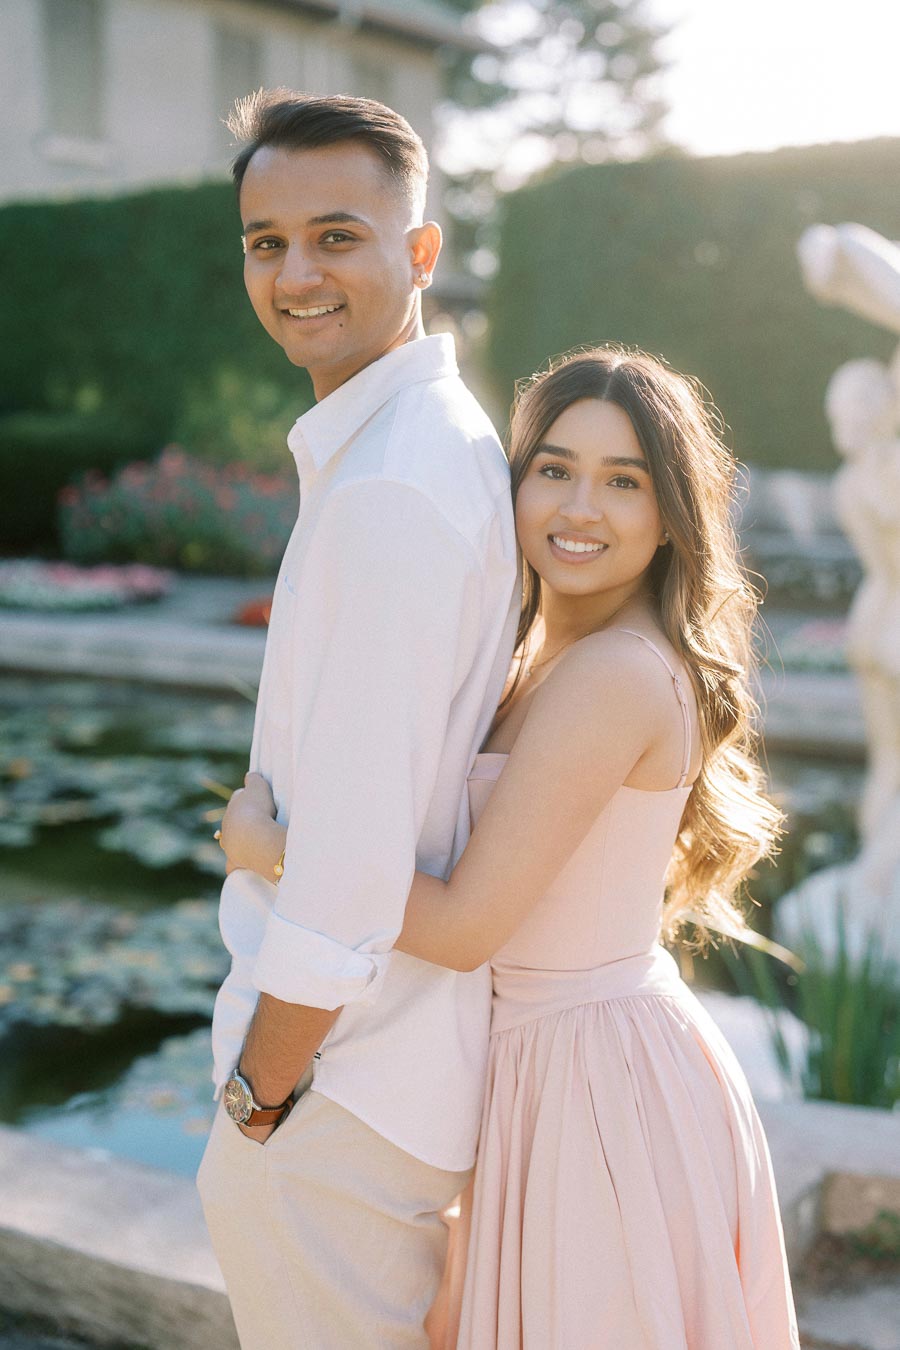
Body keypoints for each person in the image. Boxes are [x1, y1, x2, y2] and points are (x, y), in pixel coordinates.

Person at [223, 346, 801, 1348]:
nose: (582, 508)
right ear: (516, 482)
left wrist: (278, 850)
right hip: (539, 1064)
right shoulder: (540, 654)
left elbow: (460, 926)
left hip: (594, 1081)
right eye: (556, 469)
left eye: (625, 482)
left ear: (672, 515)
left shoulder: (612, 675)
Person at [197, 90, 519, 1350]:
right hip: (370, 1085)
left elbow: (351, 863)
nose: (295, 273)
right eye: (264, 242)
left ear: (422, 252)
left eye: (337, 235)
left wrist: (263, 1093)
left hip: (334, 1094)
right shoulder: (406, 445)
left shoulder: (394, 486)